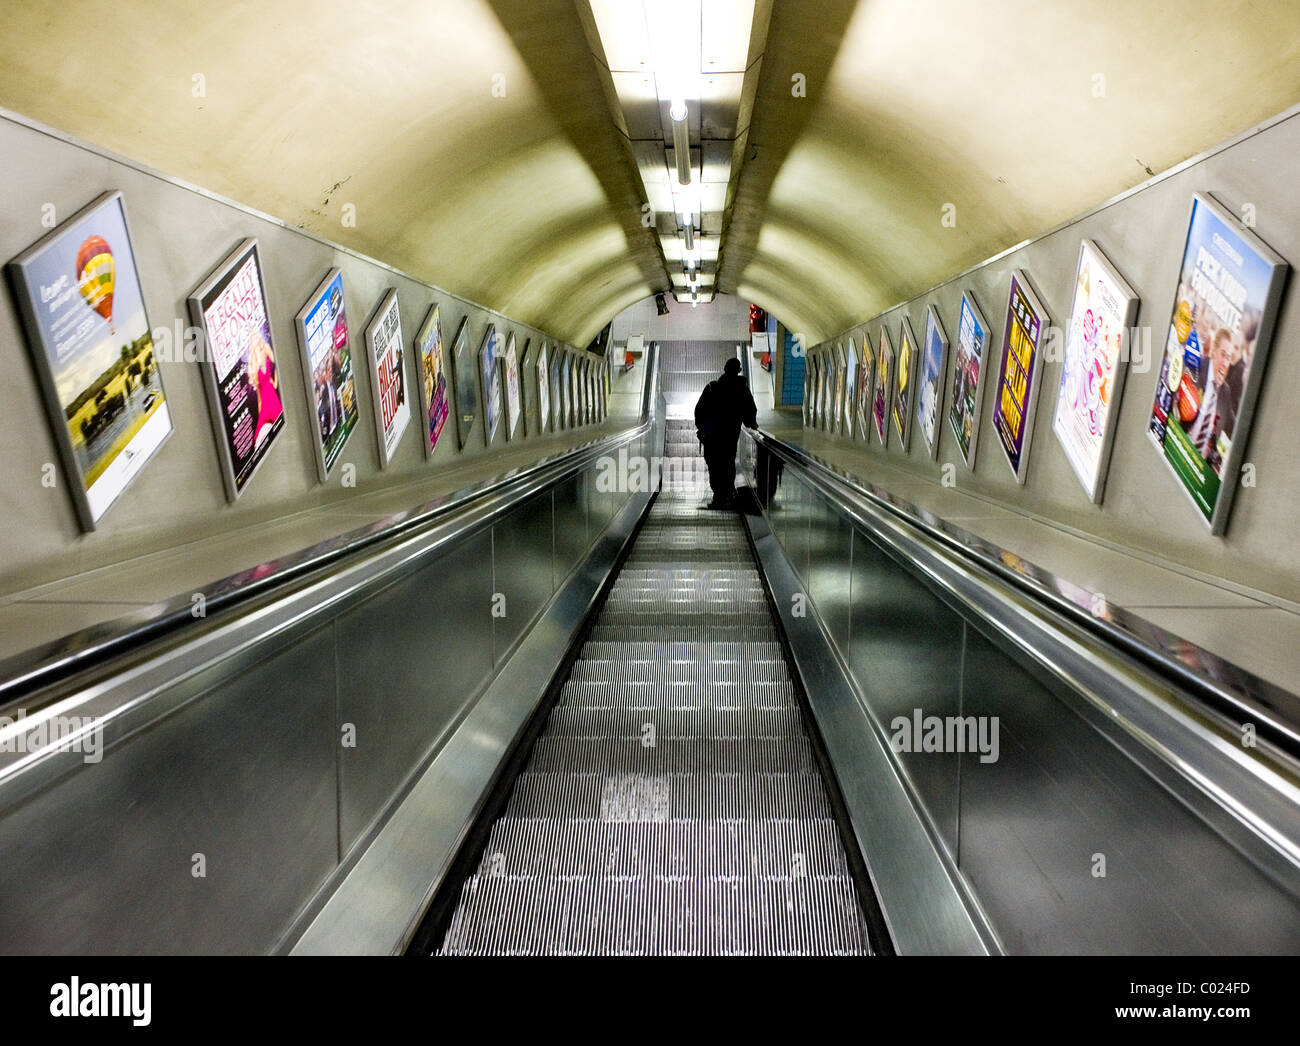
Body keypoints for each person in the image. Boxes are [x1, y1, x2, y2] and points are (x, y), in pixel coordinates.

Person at [694, 357, 757, 508]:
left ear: (725, 370)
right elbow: (751, 410)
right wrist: (751, 423)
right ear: (739, 371)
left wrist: (702, 428)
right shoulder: (743, 390)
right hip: (730, 435)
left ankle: (719, 496)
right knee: (728, 463)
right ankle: (727, 495)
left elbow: (699, 410)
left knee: (714, 465)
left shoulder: (712, 387)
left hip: (712, 437)